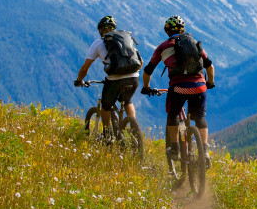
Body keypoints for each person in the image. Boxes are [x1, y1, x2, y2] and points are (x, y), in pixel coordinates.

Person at [141, 15, 215, 167]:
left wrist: (146, 87)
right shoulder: (195, 43)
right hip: (199, 87)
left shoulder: (163, 47)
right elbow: (209, 66)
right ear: (183, 30)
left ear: (167, 31)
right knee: (199, 118)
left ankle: (175, 149)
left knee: (173, 115)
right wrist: (210, 83)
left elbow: (148, 70)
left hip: (178, 88)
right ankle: (205, 151)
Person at [74, 16, 142, 143]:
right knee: (127, 101)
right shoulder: (125, 39)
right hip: (134, 77)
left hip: (115, 80)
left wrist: (79, 80)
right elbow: (140, 61)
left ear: (100, 30)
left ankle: (107, 134)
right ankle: (134, 131)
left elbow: (85, 67)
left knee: (106, 107)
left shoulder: (98, 43)